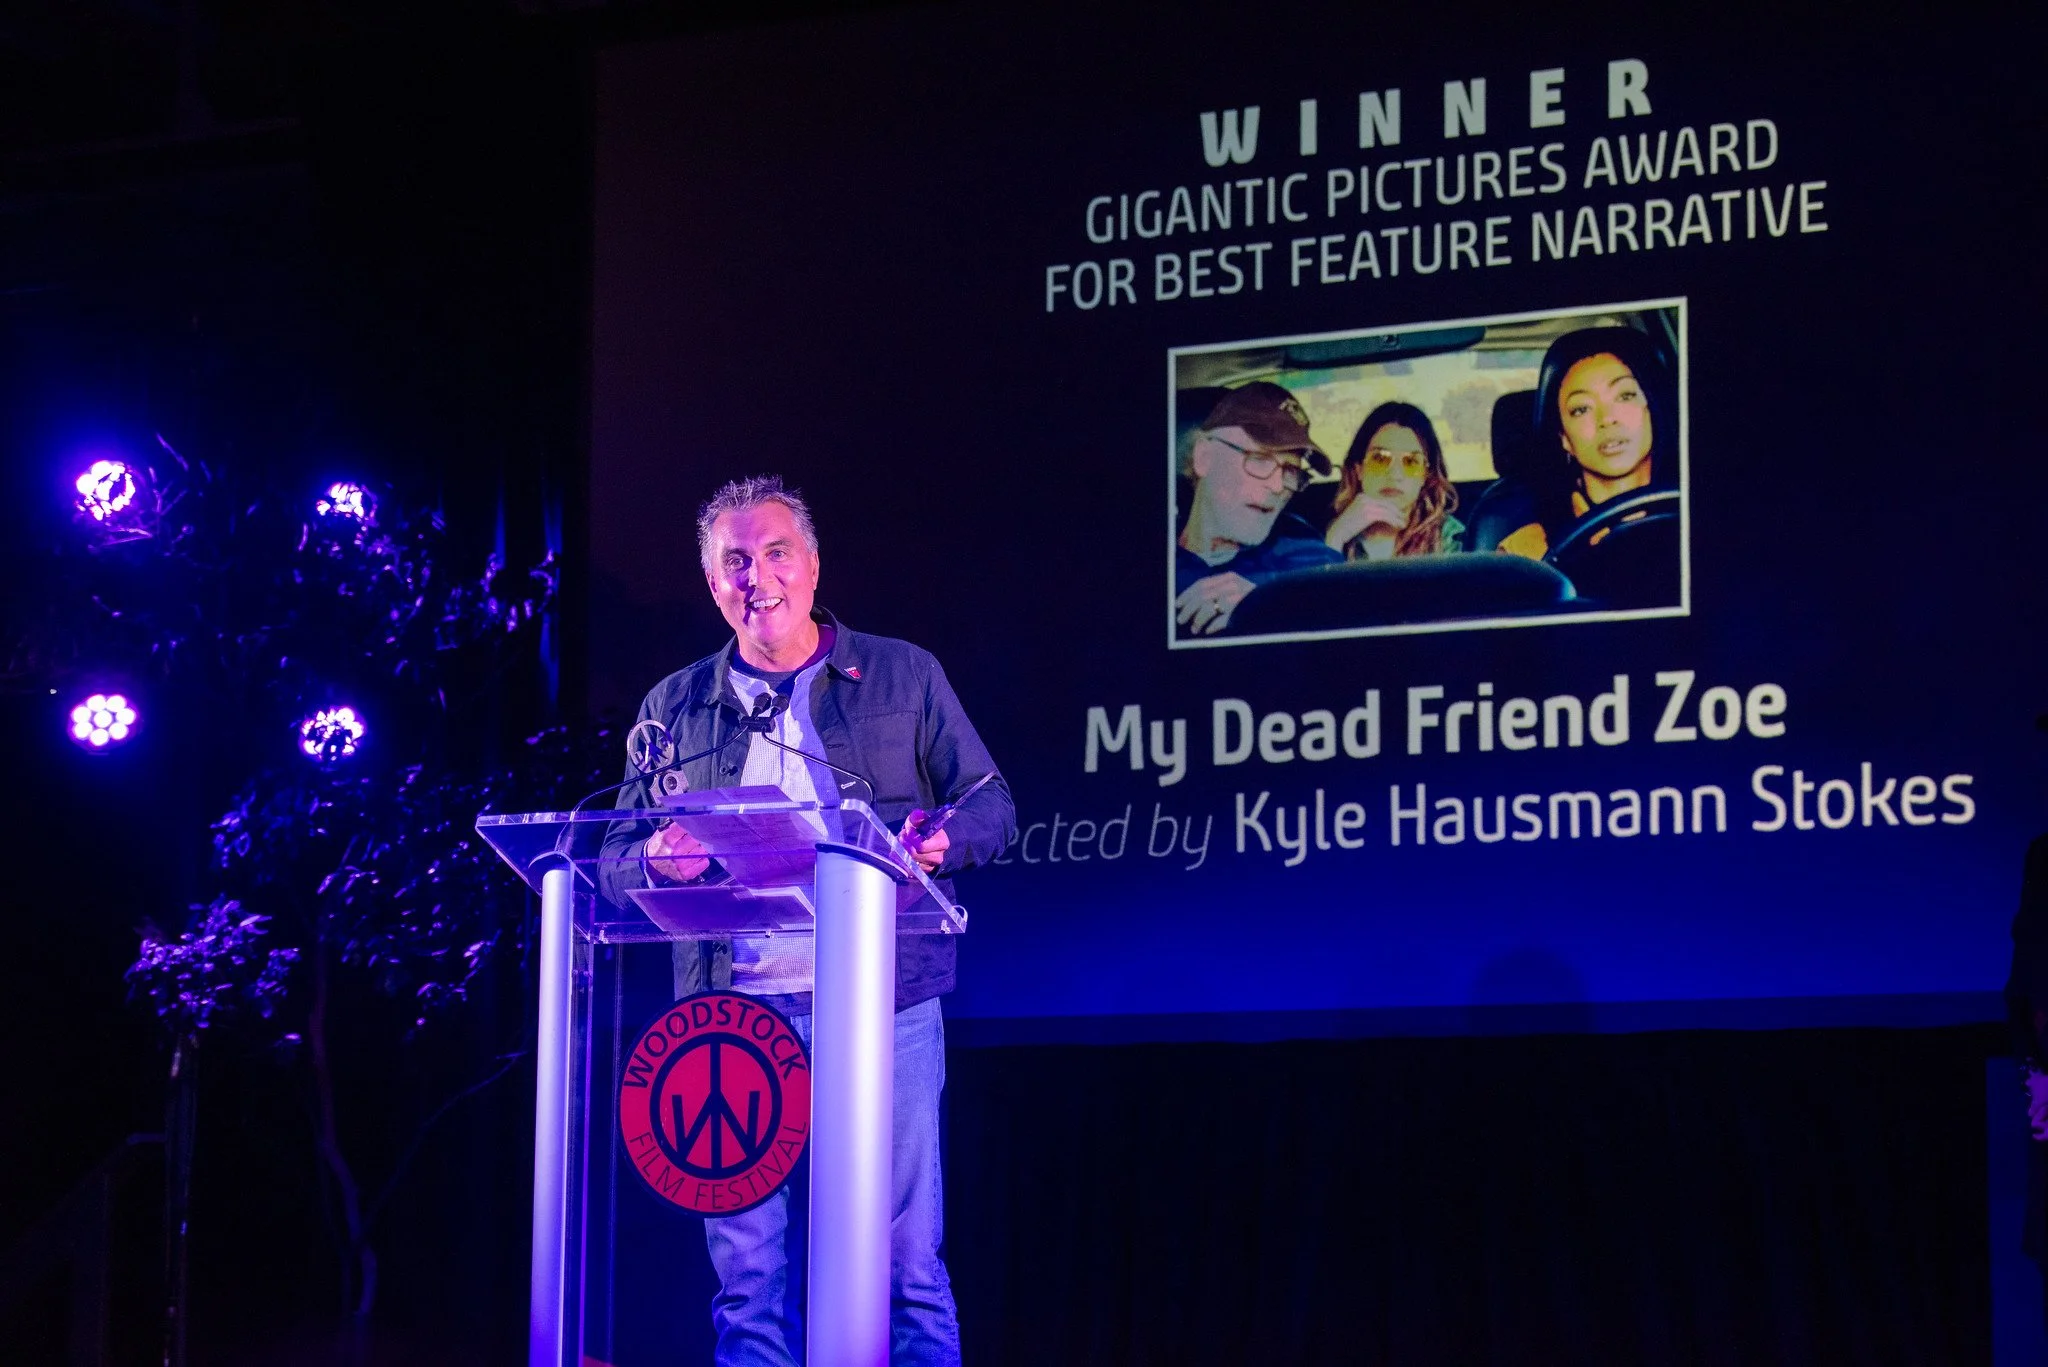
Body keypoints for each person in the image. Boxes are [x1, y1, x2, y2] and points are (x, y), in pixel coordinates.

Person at [600, 474, 1015, 1366]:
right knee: (748, 1280)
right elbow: (612, 856)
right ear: (714, 586)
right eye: (735, 563)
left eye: (776, 552)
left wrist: (941, 838)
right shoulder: (673, 707)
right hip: (731, 1016)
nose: (759, 577)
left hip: (882, 1007)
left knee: (905, 1261)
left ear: (815, 565)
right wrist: (654, 860)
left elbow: (992, 804)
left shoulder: (904, 672)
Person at [1490, 326, 1675, 560]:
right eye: (1581, 409)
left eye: (1625, 396)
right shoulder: (1527, 552)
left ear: (1653, 410)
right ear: (1564, 438)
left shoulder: (1705, 518)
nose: (1607, 419)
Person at [1175, 380, 1340, 636]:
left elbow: (1340, 598)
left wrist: (1267, 603)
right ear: (1204, 458)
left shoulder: (1304, 553)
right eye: (1260, 460)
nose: (1278, 486)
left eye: (1291, 471)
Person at [1323, 401, 1463, 560]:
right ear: (1359, 470)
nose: (1395, 474)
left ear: (1425, 475)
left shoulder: (1450, 539)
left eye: (1411, 462)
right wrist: (1336, 537)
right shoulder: (1332, 534)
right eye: (1379, 459)